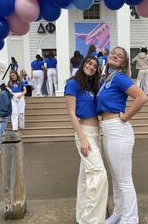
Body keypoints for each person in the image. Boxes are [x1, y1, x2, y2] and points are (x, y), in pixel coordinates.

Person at [97, 46, 148, 224]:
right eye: (113, 53)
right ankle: (119, 213)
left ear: (124, 62)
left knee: (124, 179)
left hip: (119, 131)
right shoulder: (107, 79)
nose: (115, 56)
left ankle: (130, 219)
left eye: (120, 56)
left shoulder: (119, 78)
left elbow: (142, 97)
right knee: (116, 178)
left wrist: (126, 116)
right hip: (108, 130)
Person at [64, 56, 108, 224]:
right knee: (98, 175)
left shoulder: (91, 86)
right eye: (89, 63)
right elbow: (71, 113)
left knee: (85, 178)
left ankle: (82, 217)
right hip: (85, 133)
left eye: (95, 65)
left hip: (96, 133)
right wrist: (83, 139)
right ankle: (93, 221)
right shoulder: (73, 84)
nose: (91, 67)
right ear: (83, 64)